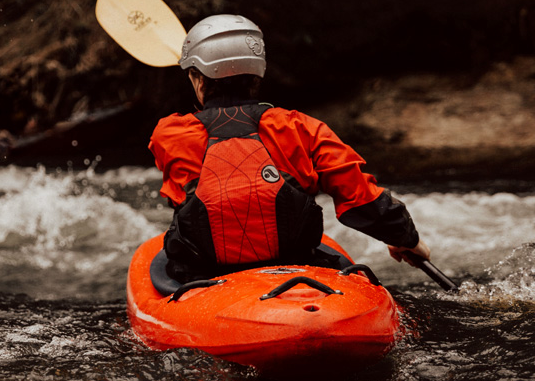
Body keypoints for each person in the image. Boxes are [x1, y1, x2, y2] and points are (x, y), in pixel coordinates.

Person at [149, 14, 431, 283]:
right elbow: (361, 199)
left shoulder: (170, 134)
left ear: (199, 81)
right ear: (257, 75)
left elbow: (181, 195)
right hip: (295, 267)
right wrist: (406, 240)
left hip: (203, 274)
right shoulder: (302, 128)